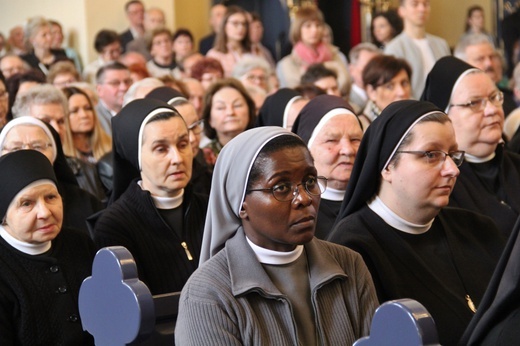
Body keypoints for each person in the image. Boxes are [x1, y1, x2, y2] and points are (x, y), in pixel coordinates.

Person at [175, 126, 378, 345]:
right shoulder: (207, 293)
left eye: (310, 181)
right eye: (281, 187)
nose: (304, 198)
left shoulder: (350, 265)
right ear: (241, 204)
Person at [328, 100, 506, 345]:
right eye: (431, 155)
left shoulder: (479, 229)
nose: (452, 170)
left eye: (453, 155)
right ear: (387, 165)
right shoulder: (352, 251)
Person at [92, 98, 208, 295]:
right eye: (161, 149)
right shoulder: (114, 226)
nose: (177, 159)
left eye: (182, 144)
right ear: (136, 156)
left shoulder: (210, 208)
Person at [0, 150, 96, 345]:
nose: (44, 212)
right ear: (3, 215)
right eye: (27, 203)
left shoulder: (80, 244)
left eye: (51, 197)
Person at [422, 56, 520, 236]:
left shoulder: (516, 164)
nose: (492, 110)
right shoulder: (439, 184)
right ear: (444, 115)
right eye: (474, 103)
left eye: (493, 97)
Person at [0, 116, 103, 236]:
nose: (28, 155)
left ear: (54, 153)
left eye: (37, 147)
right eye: (16, 148)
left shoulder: (87, 203)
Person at [292, 94, 362, 239]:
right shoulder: (294, 210)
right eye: (332, 140)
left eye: (355, 139)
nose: (347, 150)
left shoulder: (382, 202)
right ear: (306, 149)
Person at [384, 0, 450, 99]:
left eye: (426, 4)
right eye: (415, 4)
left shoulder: (441, 44)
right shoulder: (394, 48)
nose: (422, 9)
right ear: (401, 11)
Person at [276, 6, 349, 91]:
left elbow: (346, 87)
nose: (314, 30)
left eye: (318, 25)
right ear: (298, 29)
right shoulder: (286, 64)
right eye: (308, 26)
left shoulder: (336, 56)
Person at [454, 33, 516, 117]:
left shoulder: (509, 98)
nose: (489, 63)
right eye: (480, 59)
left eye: (492, 57)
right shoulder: (462, 107)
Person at [201, 78, 256, 168]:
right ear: (209, 119)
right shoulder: (202, 159)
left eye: (237, 105)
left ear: (250, 112)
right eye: (221, 107)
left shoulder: (262, 150)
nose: (230, 112)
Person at [359, 54, 412, 129]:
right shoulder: (360, 128)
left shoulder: (420, 119)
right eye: (389, 86)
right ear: (371, 91)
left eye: (404, 83)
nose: (401, 92)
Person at [206, 6, 255, 77]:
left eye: (244, 24)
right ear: (225, 26)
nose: (241, 28)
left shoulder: (253, 50)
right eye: (235, 23)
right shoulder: (214, 55)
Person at [95, 62, 132, 135]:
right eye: (115, 83)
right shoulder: (94, 118)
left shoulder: (136, 112)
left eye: (127, 82)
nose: (124, 88)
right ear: (99, 90)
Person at [347, 43, 381, 112]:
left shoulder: (384, 95)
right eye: (367, 68)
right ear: (351, 70)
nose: (373, 72)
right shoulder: (347, 101)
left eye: (377, 67)